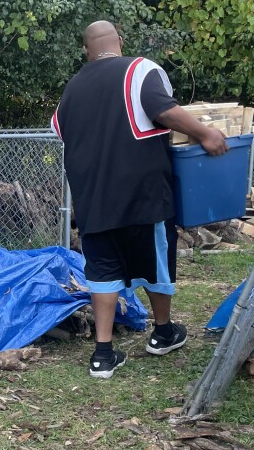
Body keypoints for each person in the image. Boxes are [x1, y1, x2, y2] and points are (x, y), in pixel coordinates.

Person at [52, 21, 228, 379]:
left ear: (86, 50)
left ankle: (102, 355)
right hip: (142, 198)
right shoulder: (139, 69)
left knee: (102, 273)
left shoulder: (73, 88)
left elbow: (59, 128)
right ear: (120, 41)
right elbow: (163, 110)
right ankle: (163, 333)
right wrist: (205, 132)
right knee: (156, 265)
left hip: (93, 204)